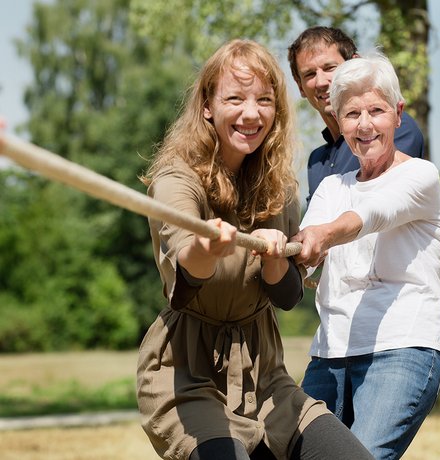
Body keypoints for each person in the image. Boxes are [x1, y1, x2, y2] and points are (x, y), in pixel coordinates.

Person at [136, 39, 373, 460]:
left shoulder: (279, 187)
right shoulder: (176, 180)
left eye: (264, 100)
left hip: (266, 378)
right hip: (189, 376)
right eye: (235, 98)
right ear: (207, 105)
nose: (252, 113)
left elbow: (286, 297)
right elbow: (182, 284)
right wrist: (207, 248)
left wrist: (275, 261)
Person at [291, 51, 440, 460]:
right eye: (352, 114)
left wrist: (323, 235)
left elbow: (372, 214)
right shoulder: (331, 187)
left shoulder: (420, 176)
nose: (364, 125)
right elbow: (304, 251)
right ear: (339, 122)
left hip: (403, 348)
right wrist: (282, 245)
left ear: (398, 114)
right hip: (329, 354)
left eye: (376, 111)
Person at [287, 26, 425, 207]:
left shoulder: (394, 129)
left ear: (355, 65)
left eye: (329, 68)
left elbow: (381, 207)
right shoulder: (316, 161)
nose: (321, 82)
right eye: (310, 74)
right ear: (299, 86)